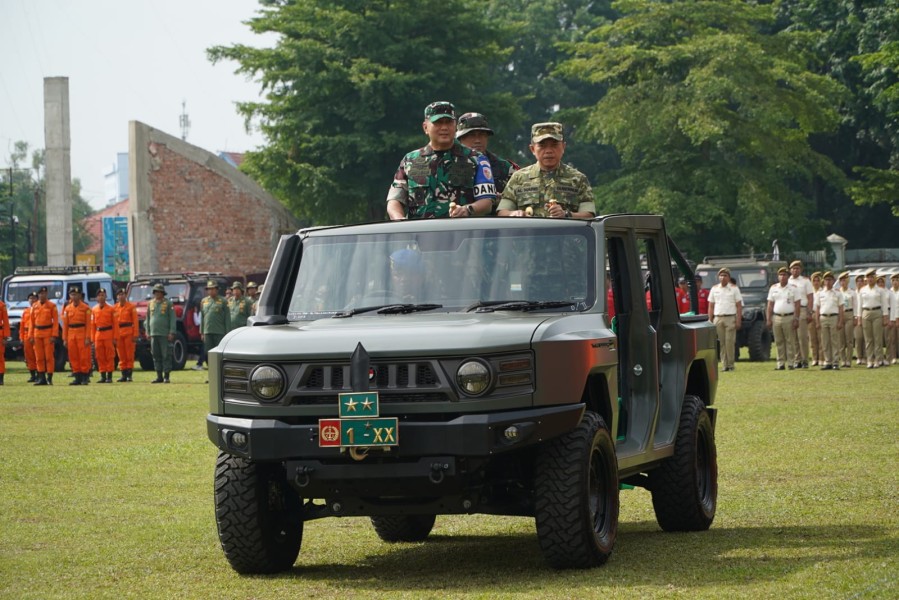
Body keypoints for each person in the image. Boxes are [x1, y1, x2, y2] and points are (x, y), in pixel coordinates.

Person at [386, 101, 496, 220]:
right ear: (425, 127)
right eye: (438, 122)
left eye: (449, 122)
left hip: (462, 233)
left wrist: (467, 210)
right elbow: (394, 200)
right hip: (421, 234)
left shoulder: (477, 159)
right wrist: (399, 219)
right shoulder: (410, 160)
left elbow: (487, 202)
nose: (444, 127)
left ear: (455, 126)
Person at [497, 122, 596, 219]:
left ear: (563, 147)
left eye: (554, 145)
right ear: (532, 149)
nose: (549, 151)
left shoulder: (578, 179)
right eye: (542, 145)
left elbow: (589, 215)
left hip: (566, 234)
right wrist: (514, 214)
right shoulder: (519, 178)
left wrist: (566, 215)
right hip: (529, 234)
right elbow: (502, 212)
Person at [455, 112, 519, 210]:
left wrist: (502, 200)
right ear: (460, 139)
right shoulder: (448, 164)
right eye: (471, 135)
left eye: (482, 135)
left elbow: (520, 199)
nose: (477, 140)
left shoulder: (505, 168)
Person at [766, 266, 801, 370]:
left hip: (789, 317)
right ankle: (780, 363)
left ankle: (791, 363)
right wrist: (768, 318)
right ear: (778, 276)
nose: (782, 277)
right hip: (776, 317)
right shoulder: (773, 288)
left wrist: (796, 318)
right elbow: (770, 305)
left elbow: (798, 304)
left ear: (788, 276)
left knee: (790, 341)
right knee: (778, 341)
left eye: (784, 274)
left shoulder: (793, 288)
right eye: (780, 275)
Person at [708, 267, 742, 371]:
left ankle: (731, 364)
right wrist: (710, 319)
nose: (723, 277)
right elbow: (711, 305)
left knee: (729, 342)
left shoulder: (734, 288)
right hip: (718, 318)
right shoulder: (714, 289)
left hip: (730, 317)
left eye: (725, 275)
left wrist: (738, 320)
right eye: (721, 275)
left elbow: (739, 305)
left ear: (729, 277)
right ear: (718, 277)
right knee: (721, 343)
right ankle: (724, 365)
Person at [857, 268, 889, 368]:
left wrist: (885, 317)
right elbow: (859, 305)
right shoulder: (863, 290)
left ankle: (878, 359)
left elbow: (884, 304)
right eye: (868, 277)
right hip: (866, 312)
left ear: (875, 278)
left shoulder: (880, 290)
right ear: (866, 279)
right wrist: (859, 318)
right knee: (868, 338)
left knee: (877, 338)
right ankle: (870, 360)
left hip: (877, 313)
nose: (870, 279)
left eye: (872, 277)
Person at [61, 287, 92, 386]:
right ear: (70, 296)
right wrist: (64, 338)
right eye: (72, 294)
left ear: (80, 296)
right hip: (71, 333)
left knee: (83, 356)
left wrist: (88, 337)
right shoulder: (67, 308)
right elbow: (65, 325)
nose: (74, 296)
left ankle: (85, 377)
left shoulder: (86, 308)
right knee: (73, 356)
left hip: (82, 333)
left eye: (76, 294)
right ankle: (77, 376)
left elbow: (89, 324)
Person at [201, 280, 230, 380]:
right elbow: (202, 317)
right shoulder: (204, 301)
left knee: (219, 355)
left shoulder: (223, 301)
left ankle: (220, 376)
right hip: (207, 332)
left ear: (217, 290)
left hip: (220, 332)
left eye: (213, 289)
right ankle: (212, 376)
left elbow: (227, 318)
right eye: (209, 289)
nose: (211, 291)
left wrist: (228, 332)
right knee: (207, 354)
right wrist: (202, 332)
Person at [29, 286, 59, 386]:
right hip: (37, 333)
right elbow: (31, 322)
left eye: (45, 293)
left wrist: (54, 335)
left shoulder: (52, 305)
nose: (43, 295)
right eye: (41, 294)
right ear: (38, 295)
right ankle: (41, 378)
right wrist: (31, 336)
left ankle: (49, 377)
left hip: (48, 333)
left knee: (49, 357)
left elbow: (55, 322)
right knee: (39, 357)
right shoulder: (34, 306)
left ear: (47, 294)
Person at [146, 283, 175, 383]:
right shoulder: (151, 303)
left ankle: (166, 376)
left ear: (163, 293)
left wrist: (171, 332)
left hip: (164, 333)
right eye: (156, 292)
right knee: (156, 355)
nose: (157, 293)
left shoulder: (168, 303)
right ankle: (159, 376)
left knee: (166, 354)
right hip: (154, 334)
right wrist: (148, 331)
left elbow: (172, 318)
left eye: (159, 292)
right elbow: (148, 318)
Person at [787, 260, 814, 368]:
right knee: (793, 338)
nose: (795, 270)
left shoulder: (805, 281)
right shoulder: (787, 281)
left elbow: (810, 297)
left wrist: (809, 312)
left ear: (801, 269)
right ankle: (797, 360)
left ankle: (805, 360)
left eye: (797, 268)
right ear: (790, 270)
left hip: (802, 309)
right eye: (793, 268)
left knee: (802, 336)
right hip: (791, 310)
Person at [815, 272, 844, 370]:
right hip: (823, 318)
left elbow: (841, 308)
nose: (828, 282)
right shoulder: (820, 293)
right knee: (825, 341)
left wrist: (840, 321)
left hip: (834, 317)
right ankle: (828, 362)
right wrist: (817, 321)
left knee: (834, 341)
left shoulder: (838, 293)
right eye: (826, 280)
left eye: (830, 280)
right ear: (824, 281)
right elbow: (817, 309)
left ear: (833, 281)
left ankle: (835, 362)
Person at [91, 289, 118, 384]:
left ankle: (109, 376)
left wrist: (115, 337)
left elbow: (115, 324)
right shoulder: (94, 309)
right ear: (96, 298)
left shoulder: (111, 309)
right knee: (99, 355)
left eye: (103, 295)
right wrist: (93, 338)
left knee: (109, 355)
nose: (101, 297)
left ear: (106, 297)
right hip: (98, 334)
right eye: (99, 295)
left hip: (108, 333)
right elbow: (92, 325)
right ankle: (102, 375)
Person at [114, 288, 138, 382]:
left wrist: (135, 334)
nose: (121, 296)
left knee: (129, 354)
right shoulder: (114, 308)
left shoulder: (131, 307)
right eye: (119, 294)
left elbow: (135, 321)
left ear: (126, 295)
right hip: (119, 333)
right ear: (117, 296)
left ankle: (129, 375)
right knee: (121, 355)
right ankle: (123, 374)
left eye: (123, 294)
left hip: (129, 332)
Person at [836, 272, 855, 367]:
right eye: (841, 280)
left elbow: (855, 305)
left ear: (848, 281)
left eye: (844, 280)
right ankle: (842, 359)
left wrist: (855, 317)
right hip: (840, 315)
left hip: (849, 314)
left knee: (849, 339)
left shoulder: (852, 292)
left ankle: (848, 360)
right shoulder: (837, 292)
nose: (843, 282)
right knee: (841, 339)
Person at [21, 292, 38, 382]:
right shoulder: (26, 311)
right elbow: (22, 325)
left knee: (37, 355)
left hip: (36, 333)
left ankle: (39, 373)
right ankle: (32, 375)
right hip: (26, 334)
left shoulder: (38, 310)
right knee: (28, 355)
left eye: (34, 298)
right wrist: (21, 337)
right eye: (30, 298)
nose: (32, 300)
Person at [808, 271, 823, 366]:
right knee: (812, 338)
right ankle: (814, 358)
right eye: (814, 280)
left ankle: (822, 358)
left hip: (820, 315)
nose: (816, 282)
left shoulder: (823, 291)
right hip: (811, 314)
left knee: (820, 338)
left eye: (818, 280)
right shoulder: (810, 292)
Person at [853, 274, 866, 364]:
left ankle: (865, 356)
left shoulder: (865, 292)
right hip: (856, 317)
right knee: (858, 338)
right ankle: (859, 356)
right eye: (858, 281)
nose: (860, 283)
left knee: (866, 338)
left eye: (861, 281)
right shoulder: (853, 293)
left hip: (865, 316)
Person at [889, 273, 899, 364]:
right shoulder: (889, 292)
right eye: (893, 280)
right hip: (892, 318)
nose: (895, 282)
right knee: (892, 339)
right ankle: (893, 357)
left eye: (897, 280)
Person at [0, 296, 9, 385]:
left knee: (0, 358)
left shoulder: (2, 306)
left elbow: (5, 321)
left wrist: (6, 336)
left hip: (0, 334)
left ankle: (1, 378)